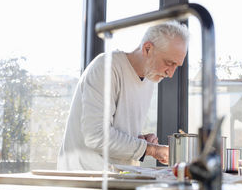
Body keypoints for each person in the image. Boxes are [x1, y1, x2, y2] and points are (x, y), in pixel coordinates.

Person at [57, 21, 189, 170]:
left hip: (118, 175)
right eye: (168, 63)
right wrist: (150, 149)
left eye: (176, 66)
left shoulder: (150, 79)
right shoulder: (106, 68)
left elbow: (117, 129)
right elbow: (97, 136)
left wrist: (140, 140)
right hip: (84, 176)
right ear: (147, 48)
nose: (170, 73)